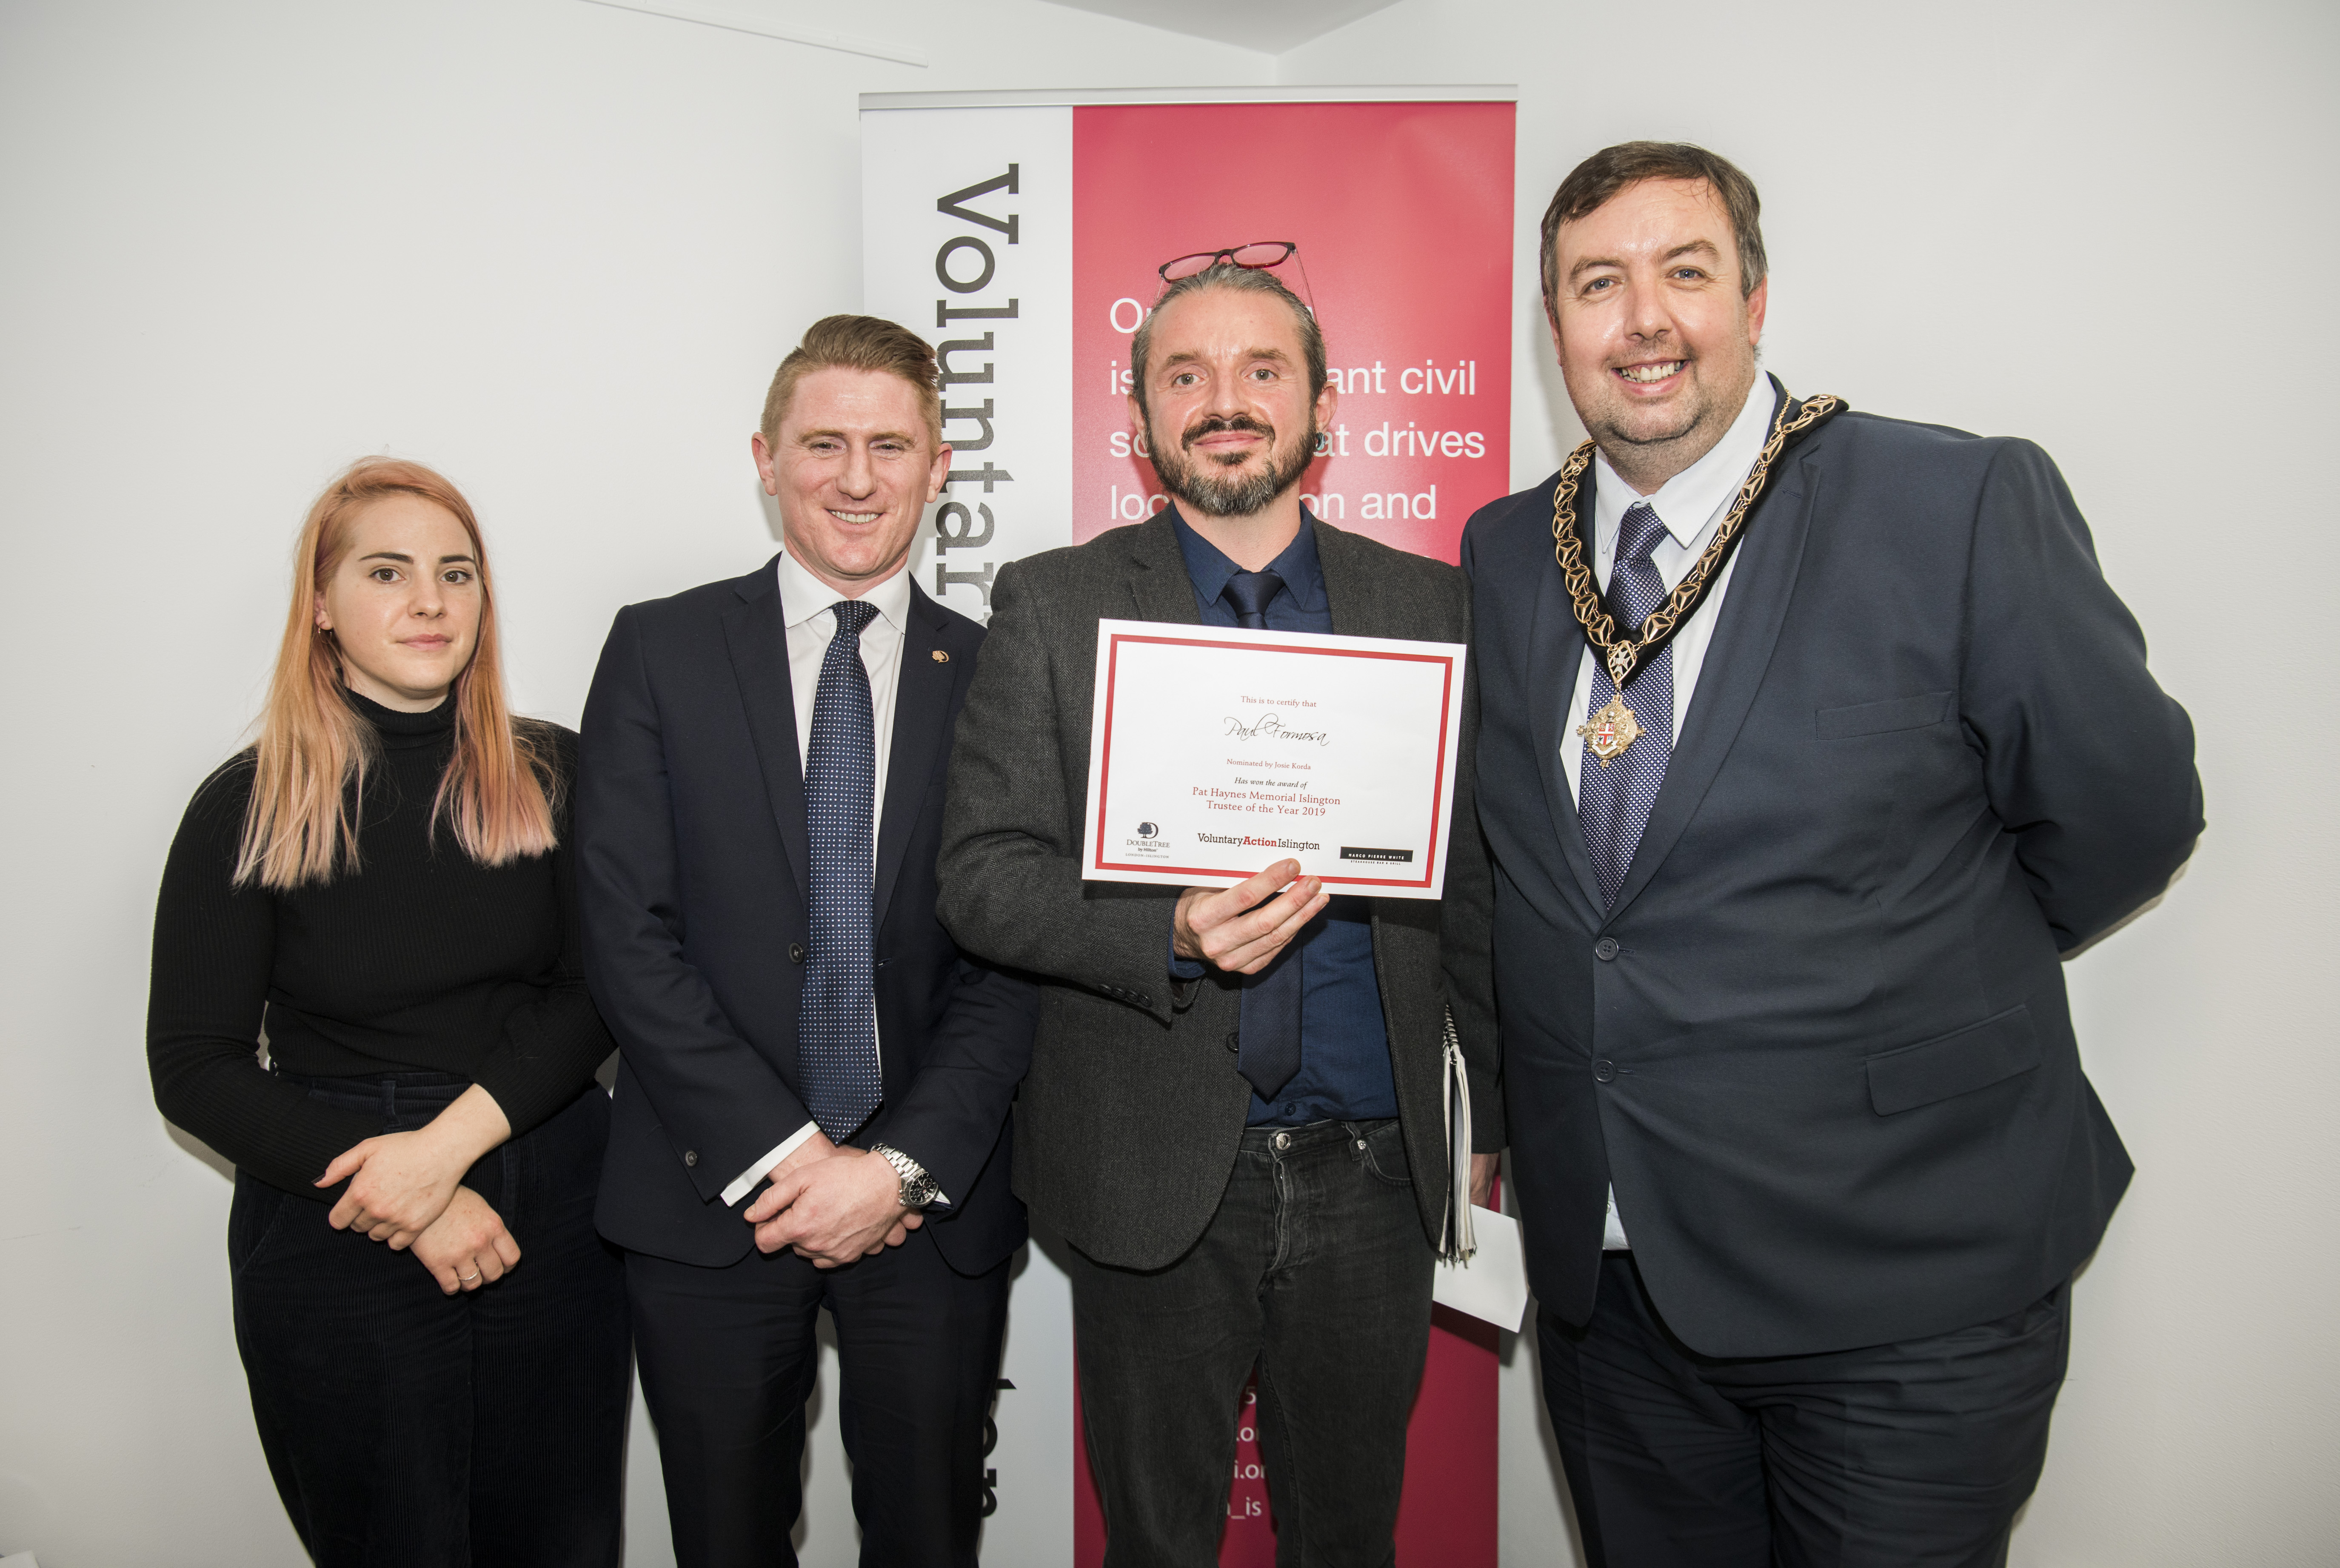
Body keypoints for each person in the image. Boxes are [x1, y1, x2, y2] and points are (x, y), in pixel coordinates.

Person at [1455, 140, 2204, 1567]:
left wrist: (1908, 953)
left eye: (1684, 272)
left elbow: (2126, 812)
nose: (1643, 319)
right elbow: (1536, 889)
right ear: (1553, 326)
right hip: (1613, 1293)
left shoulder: (1948, 502)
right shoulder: (1506, 552)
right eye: (1596, 284)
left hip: (1903, 1277)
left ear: (1752, 297)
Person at [936, 258, 1499, 1568]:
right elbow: (983, 873)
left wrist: (1496, 1118)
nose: (1224, 401)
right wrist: (1168, 932)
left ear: (1325, 406)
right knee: (1157, 1546)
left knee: (1350, 1543)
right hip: (1150, 1166)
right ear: (1140, 420)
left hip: (1378, 1170)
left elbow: (1476, 883)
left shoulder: (1430, 606)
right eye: (1184, 375)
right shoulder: (1052, 601)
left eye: (1261, 371)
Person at [577, 314, 1037, 1568]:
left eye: (890, 446)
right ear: (765, 459)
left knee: (929, 1541)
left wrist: (893, 1170)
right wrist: (787, 1158)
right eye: (823, 443)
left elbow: (1011, 962)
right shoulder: (659, 649)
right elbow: (623, 932)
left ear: (939, 467)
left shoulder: (999, 674)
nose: (856, 478)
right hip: (707, 1197)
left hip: (926, 1210)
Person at [146, 457, 629, 1565]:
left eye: (456, 573)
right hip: (336, 1211)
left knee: (559, 1544)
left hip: (549, 1195)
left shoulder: (556, 772)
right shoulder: (249, 802)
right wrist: (408, 1195)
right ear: (321, 604)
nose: (429, 601)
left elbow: (599, 993)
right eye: (386, 572)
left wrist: (443, 1159)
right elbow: (194, 1064)